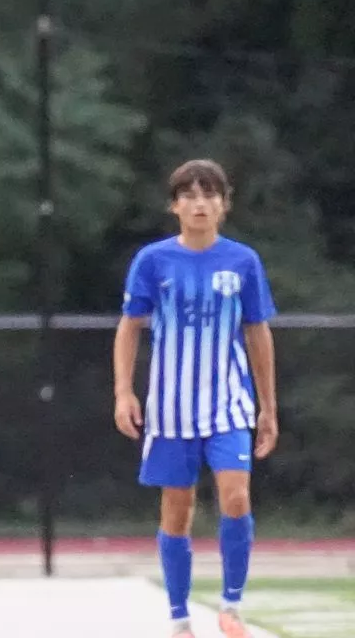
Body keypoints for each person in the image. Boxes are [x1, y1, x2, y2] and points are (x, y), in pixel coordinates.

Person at [113, 159, 278, 638]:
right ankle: (180, 617)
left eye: (210, 195)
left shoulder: (243, 262)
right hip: (170, 409)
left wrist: (268, 406)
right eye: (189, 195)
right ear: (175, 205)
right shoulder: (153, 261)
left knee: (236, 495)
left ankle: (231, 605)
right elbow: (129, 328)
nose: (199, 203)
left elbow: (257, 333)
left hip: (228, 404)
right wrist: (124, 391)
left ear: (224, 205)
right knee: (177, 510)